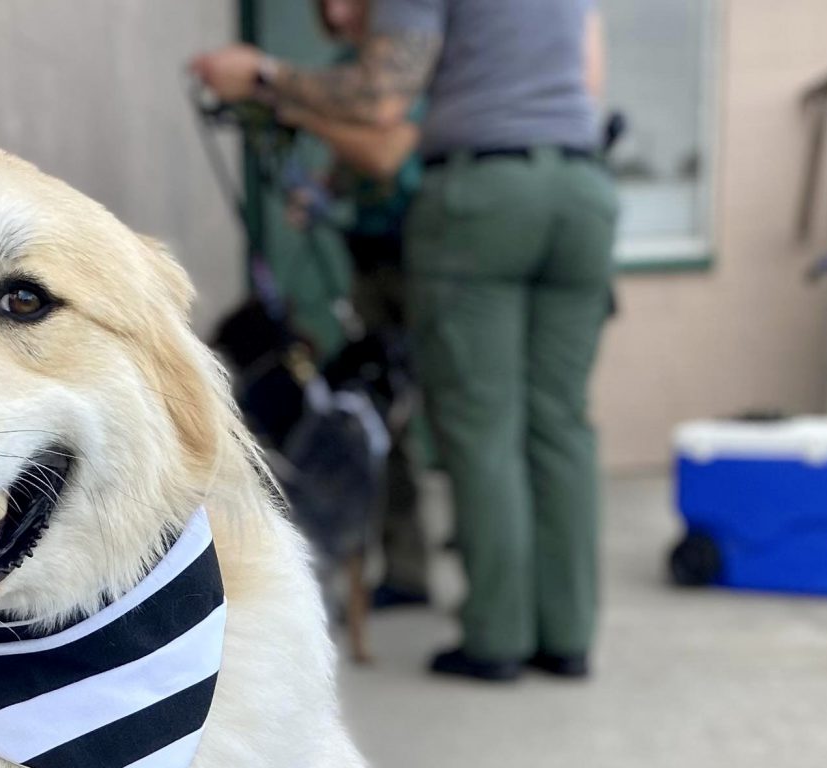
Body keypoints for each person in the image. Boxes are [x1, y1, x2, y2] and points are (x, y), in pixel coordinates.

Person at [193, 1, 615, 683]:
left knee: (483, 425)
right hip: (583, 188)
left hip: (485, 193)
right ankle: (567, 636)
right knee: (561, 424)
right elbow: (589, 83)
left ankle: (497, 638)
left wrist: (262, 76)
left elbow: (382, 95)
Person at [280, 0, 431, 612]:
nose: (338, 11)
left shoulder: (405, 63)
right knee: (382, 427)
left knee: (448, 418)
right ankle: (406, 567)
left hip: (426, 258)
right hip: (369, 258)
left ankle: (474, 576)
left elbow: (384, 151)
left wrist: (293, 106)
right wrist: (320, 190)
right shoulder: (349, 67)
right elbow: (353, 163)